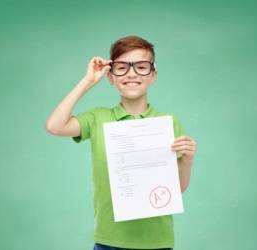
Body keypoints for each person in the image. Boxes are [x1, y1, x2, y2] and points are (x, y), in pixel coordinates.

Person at [45, 35, 197, 250]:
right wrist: (87, 81)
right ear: (111, 76)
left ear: (153, 75)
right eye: (122, 67)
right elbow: (55, 126)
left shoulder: (168, 123)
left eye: (141, 67)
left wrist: (188, 159)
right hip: (110, 240)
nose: (132, 73)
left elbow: (178, 188)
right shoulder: (97, 118)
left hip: (157, 241)